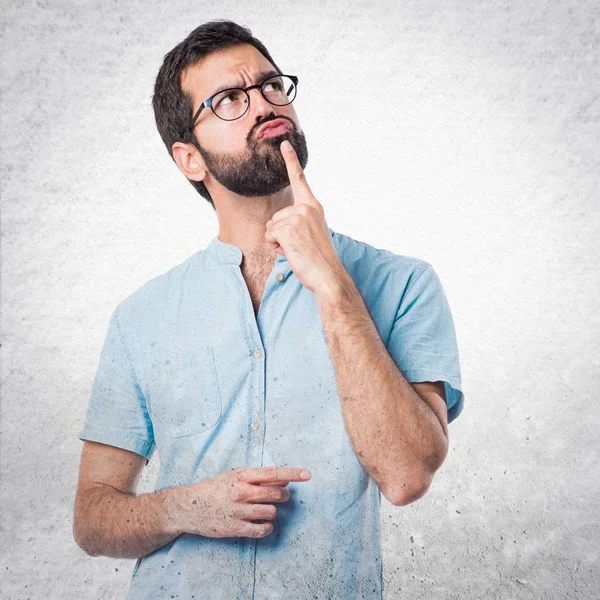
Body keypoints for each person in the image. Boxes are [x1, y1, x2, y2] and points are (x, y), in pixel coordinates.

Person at [73, 18, 465, 600]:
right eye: (229, 99)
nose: (262, 103)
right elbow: (92, 519)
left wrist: (332, 284)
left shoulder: (403, 284)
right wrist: (182, 507)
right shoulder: (141, 318)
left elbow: (407, 476)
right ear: (190, 158)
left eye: (270, 85)